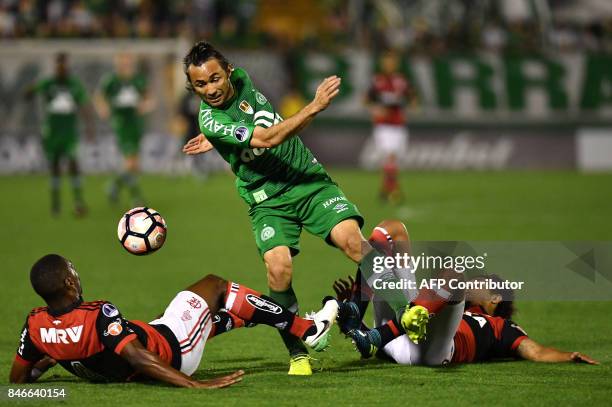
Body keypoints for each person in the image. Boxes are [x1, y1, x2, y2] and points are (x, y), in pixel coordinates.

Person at [181, 41, 427, 375]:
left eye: (214, 78)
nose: (210, 88)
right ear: (192, 87)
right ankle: (298, 352)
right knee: (277, 268)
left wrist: (219, 139)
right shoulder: (210, 119)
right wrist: (313, 107)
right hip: (266, 199)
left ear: (228, 70)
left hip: (306, 180)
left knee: (353, 242)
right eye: (200, 84)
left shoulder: (241, 79)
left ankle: (408, 313)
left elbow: (246, 118)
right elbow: (267, 139)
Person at [9, 254, 338, 387]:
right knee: (215, 286)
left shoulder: (35, 325)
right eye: (73, 273)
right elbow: (139, 356)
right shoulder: (97, 313)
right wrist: (196, 385)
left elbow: (18, 384)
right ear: (68, 284)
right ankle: (308, 330)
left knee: (182, 316)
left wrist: (53, 379)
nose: (77, 277)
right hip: (175, 350)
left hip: (154, 337)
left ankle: (249, 318)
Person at [333, 220, 599, 366]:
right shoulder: (438, 301)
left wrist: (569, 356)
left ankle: (378, 334)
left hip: (434, 352)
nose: (475, 281)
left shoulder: (501, 326)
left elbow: (536, 352)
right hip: (396, 343)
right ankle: (359, 316)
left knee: (454, 273)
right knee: (390, 231)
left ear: (495, 298)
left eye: (482, 281)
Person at [26, 52, 94, 217]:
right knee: (55, 167)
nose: (61, 68)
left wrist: (89, 126)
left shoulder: (74, 84)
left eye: (63, 64)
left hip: (69, 132)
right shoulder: (48, 83)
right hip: (52, 132)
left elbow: (84, 105)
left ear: (67, 66)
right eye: (58, 64)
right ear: (55, 66)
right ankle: (56, 205)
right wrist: (29, 91)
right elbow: (30, 92)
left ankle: (78, 202)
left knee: (73, 164)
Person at [95, 53, 153, 205]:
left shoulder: (138, 80)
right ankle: (136, 197)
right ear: (118, 64)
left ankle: (114, 185)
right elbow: (99, 97)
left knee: (135, 164)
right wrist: (103, 108)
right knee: (131, 163)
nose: (125, 65)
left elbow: (148, 98)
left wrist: (146, 105)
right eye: (122, 63)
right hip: (121, 123)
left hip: (136, 123)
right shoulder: (111, 81)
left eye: (127, 62)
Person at [365, 51, 415, 204]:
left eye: (392, 61)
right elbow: (366, 100)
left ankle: (385, 190)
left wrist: (408, 109)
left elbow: (413, 99)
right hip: (384, 126)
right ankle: (395, 191)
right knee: (390, 157)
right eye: (387, 61)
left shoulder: (401, 81)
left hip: (398, 125)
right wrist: (375, 110)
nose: (389, 64)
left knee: (392, 161)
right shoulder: (377, 81)